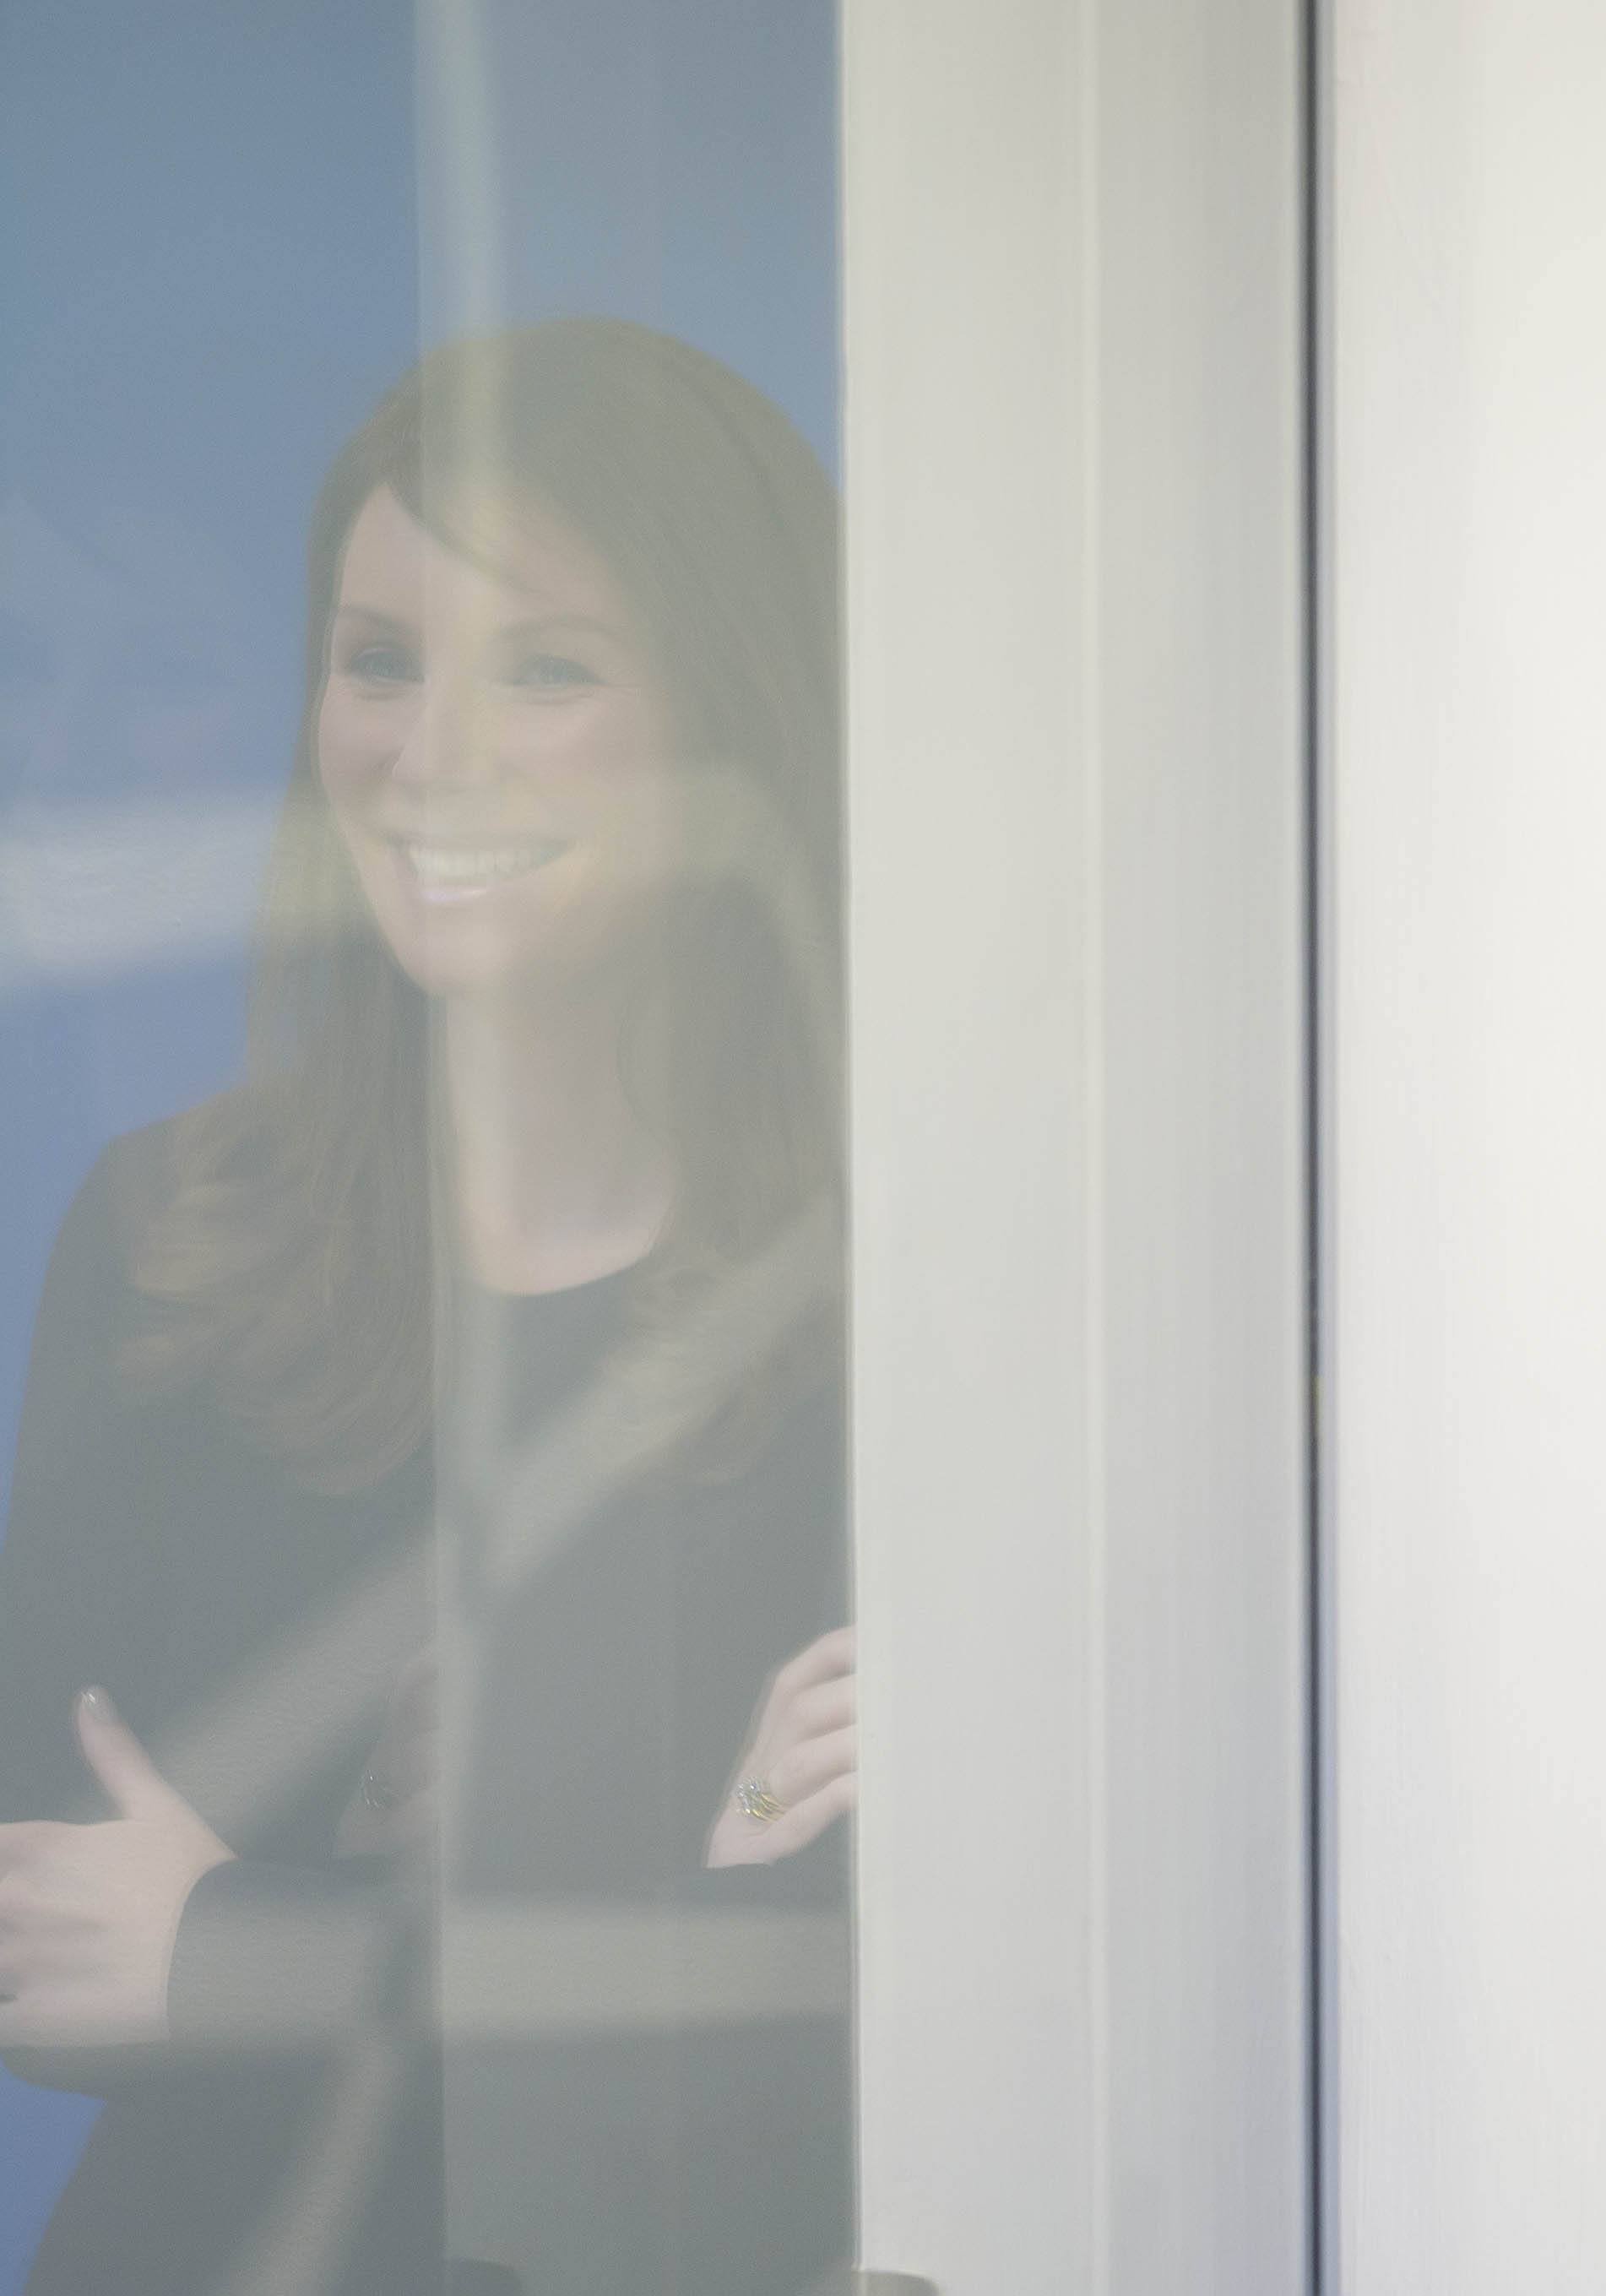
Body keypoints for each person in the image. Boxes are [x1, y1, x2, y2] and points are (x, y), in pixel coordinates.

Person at [0, 317, 858, 2293]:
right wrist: (640, 1890)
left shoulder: (896, 1292)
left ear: (739, 718)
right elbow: (47, 1951)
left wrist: (244, 1942)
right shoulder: (168, 1240)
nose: (429, 751)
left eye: (544, 668)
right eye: (382, 659)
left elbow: (829, 2046)